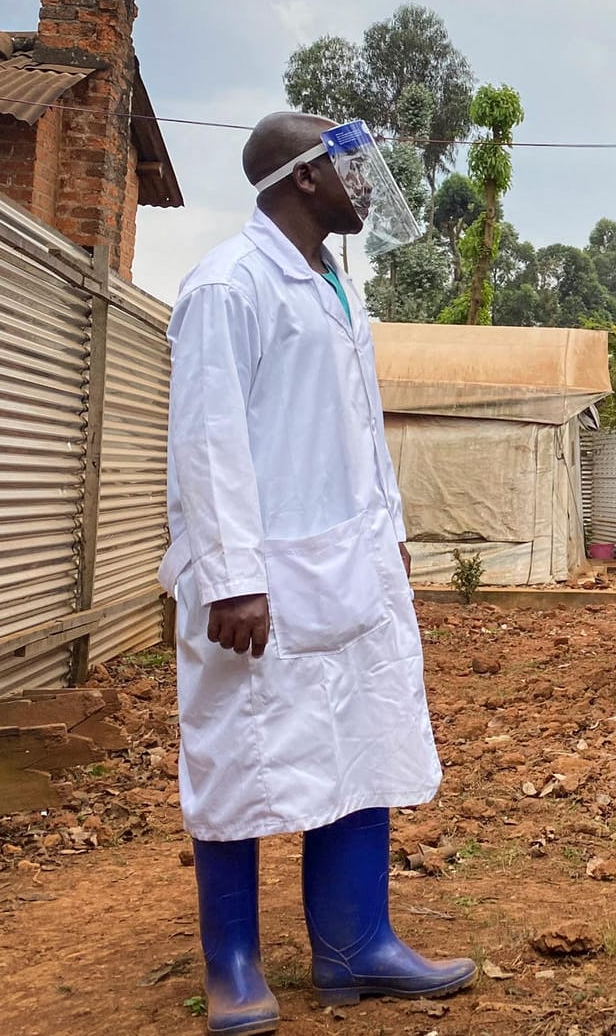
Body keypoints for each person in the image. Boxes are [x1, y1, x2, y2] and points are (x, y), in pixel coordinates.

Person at [157, 112, 474, 1035]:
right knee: (240, 760)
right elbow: (208, 440)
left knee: (360, 747)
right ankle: (236, 967)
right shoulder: (229, 285)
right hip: (259, 583)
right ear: (302, 180)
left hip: (349, 565)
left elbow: (356, 434)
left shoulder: (333, 286)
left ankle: (354, 948)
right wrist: (230, 576)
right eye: (350, 168)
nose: (365, 184)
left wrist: (393, 532)